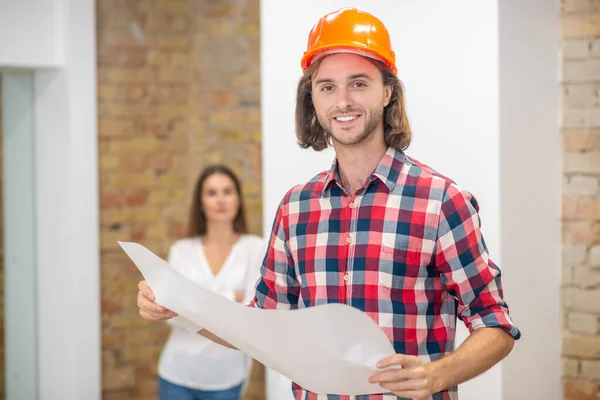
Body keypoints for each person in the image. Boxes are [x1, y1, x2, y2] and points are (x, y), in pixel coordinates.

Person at [138, 8, 521, 400]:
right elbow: (257, 327)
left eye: (358, 84)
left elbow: (496, 325)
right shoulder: (296, 209)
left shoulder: (440, 201)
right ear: (313, 99)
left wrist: (437, 375)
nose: (342, 102)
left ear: (387, 91)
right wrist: (178, 307)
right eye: (327, 87)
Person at [156, 165, 265, 400]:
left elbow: (249, 313)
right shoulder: (181, 251)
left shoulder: (254, 248)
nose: (220, 200)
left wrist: (193, 300)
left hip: (227, 375)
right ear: (201, 202)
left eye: (227, 191)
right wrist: (229, 297)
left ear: (238, 199)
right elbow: (171, 316)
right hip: (177, 373)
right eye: (212, 193)